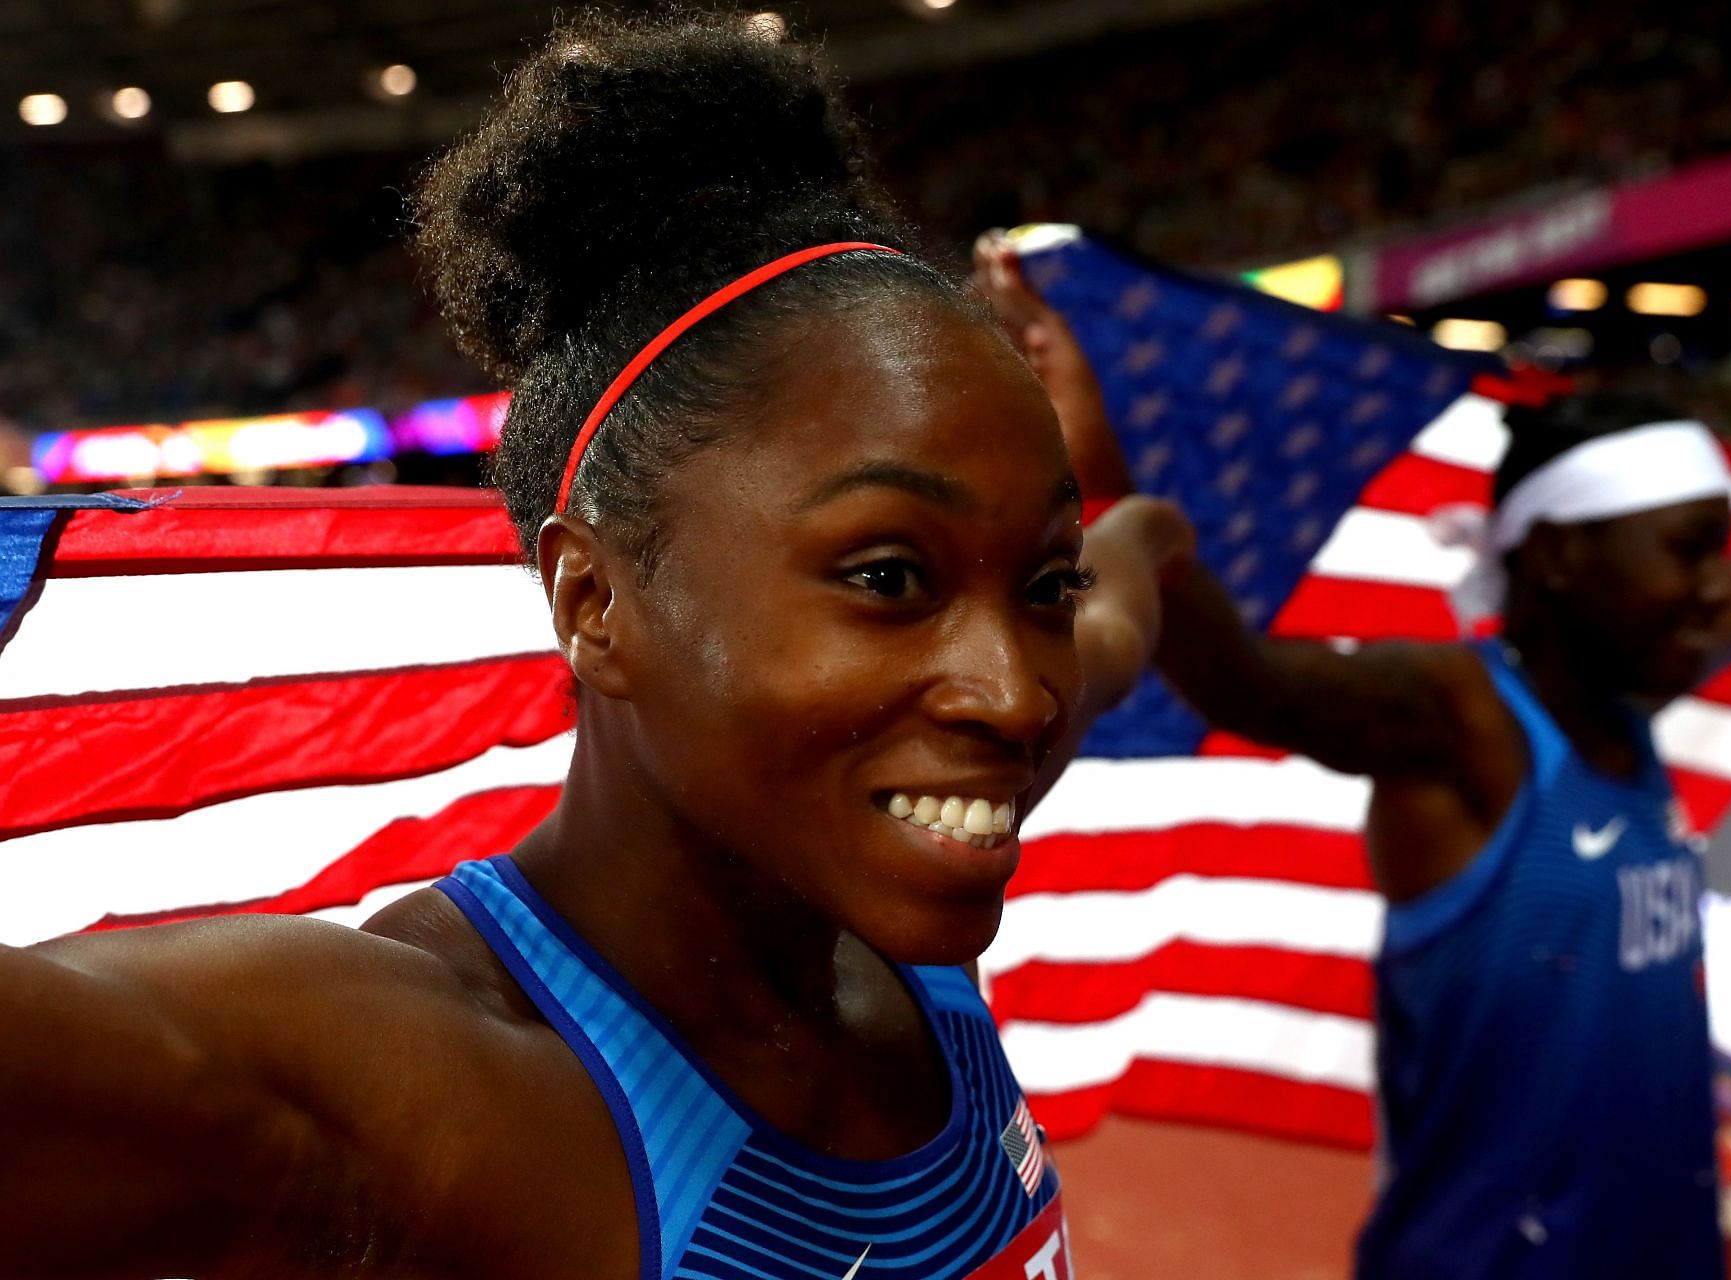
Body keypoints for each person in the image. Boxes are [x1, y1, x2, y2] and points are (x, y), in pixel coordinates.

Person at [0, 18, 1191, 1279]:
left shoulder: (878, 850)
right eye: (889, 576)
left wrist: (1137, 533)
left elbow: (1121, 600)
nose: (1016, 697)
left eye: (1039, 582)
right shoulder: (424, 1084)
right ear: (594, 599)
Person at [972, 235, 1731, 1279]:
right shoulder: (1462, 717)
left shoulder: (1628, 688)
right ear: (1560, 556)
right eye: (1689, 550)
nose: (1714, 587)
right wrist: (1108, 490)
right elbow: (1250, 681)